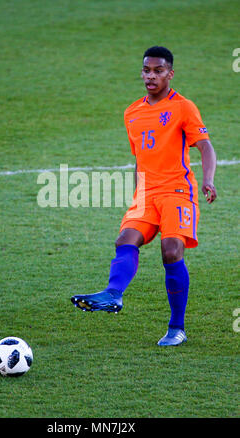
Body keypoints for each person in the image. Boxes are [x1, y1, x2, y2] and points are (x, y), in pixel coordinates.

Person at [71, 46, 217, 346]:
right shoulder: (132, 112)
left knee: (171, 251)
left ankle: (177, 328)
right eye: (147, 70)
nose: (151, 76)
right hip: (146, 192)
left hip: (177, 190)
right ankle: (113, 294)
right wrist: (138, 191)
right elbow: (140, 156)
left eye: (158, 71)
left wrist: (208, 180)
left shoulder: (184, 107)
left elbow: (205, 146)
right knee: (125, 240)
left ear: (170, 74)